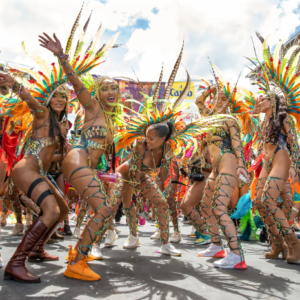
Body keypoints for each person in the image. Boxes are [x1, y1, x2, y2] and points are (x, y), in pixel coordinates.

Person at [38, 8, 121, 281]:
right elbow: (74, 79)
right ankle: (79, 261)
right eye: (106, 87)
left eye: (115, 88)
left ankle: (78, 254)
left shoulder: (110, 120)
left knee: (103, 208)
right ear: (97, 92)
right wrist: (61, 55)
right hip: (76, 158)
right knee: (105, 209)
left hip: (85, 164)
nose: (110, 91)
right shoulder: (92, 105)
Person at [195, 67, 252, 269]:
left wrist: (241, 167)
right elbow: (198, 101)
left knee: (219, 208)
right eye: (217, 98)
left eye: (223, 99)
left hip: (228, 164)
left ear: (229, 103)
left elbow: (238, 146)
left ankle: (236, 255)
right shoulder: (209, 117)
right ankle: (216, 244)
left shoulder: (230, 120)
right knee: (206, 206)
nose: (219, 102)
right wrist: (212, 88)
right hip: (215, 169)